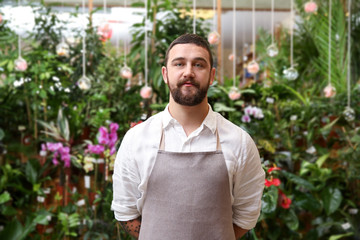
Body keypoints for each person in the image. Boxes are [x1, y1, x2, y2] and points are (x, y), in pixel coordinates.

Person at [111, 33, 265, 240]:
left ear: (211, 76)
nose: (188, 72)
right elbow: (125, 212)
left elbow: (246, 216)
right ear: (165, 74)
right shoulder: (136, 139)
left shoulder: (240, 142)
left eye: (199, 65)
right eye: (179, 64)